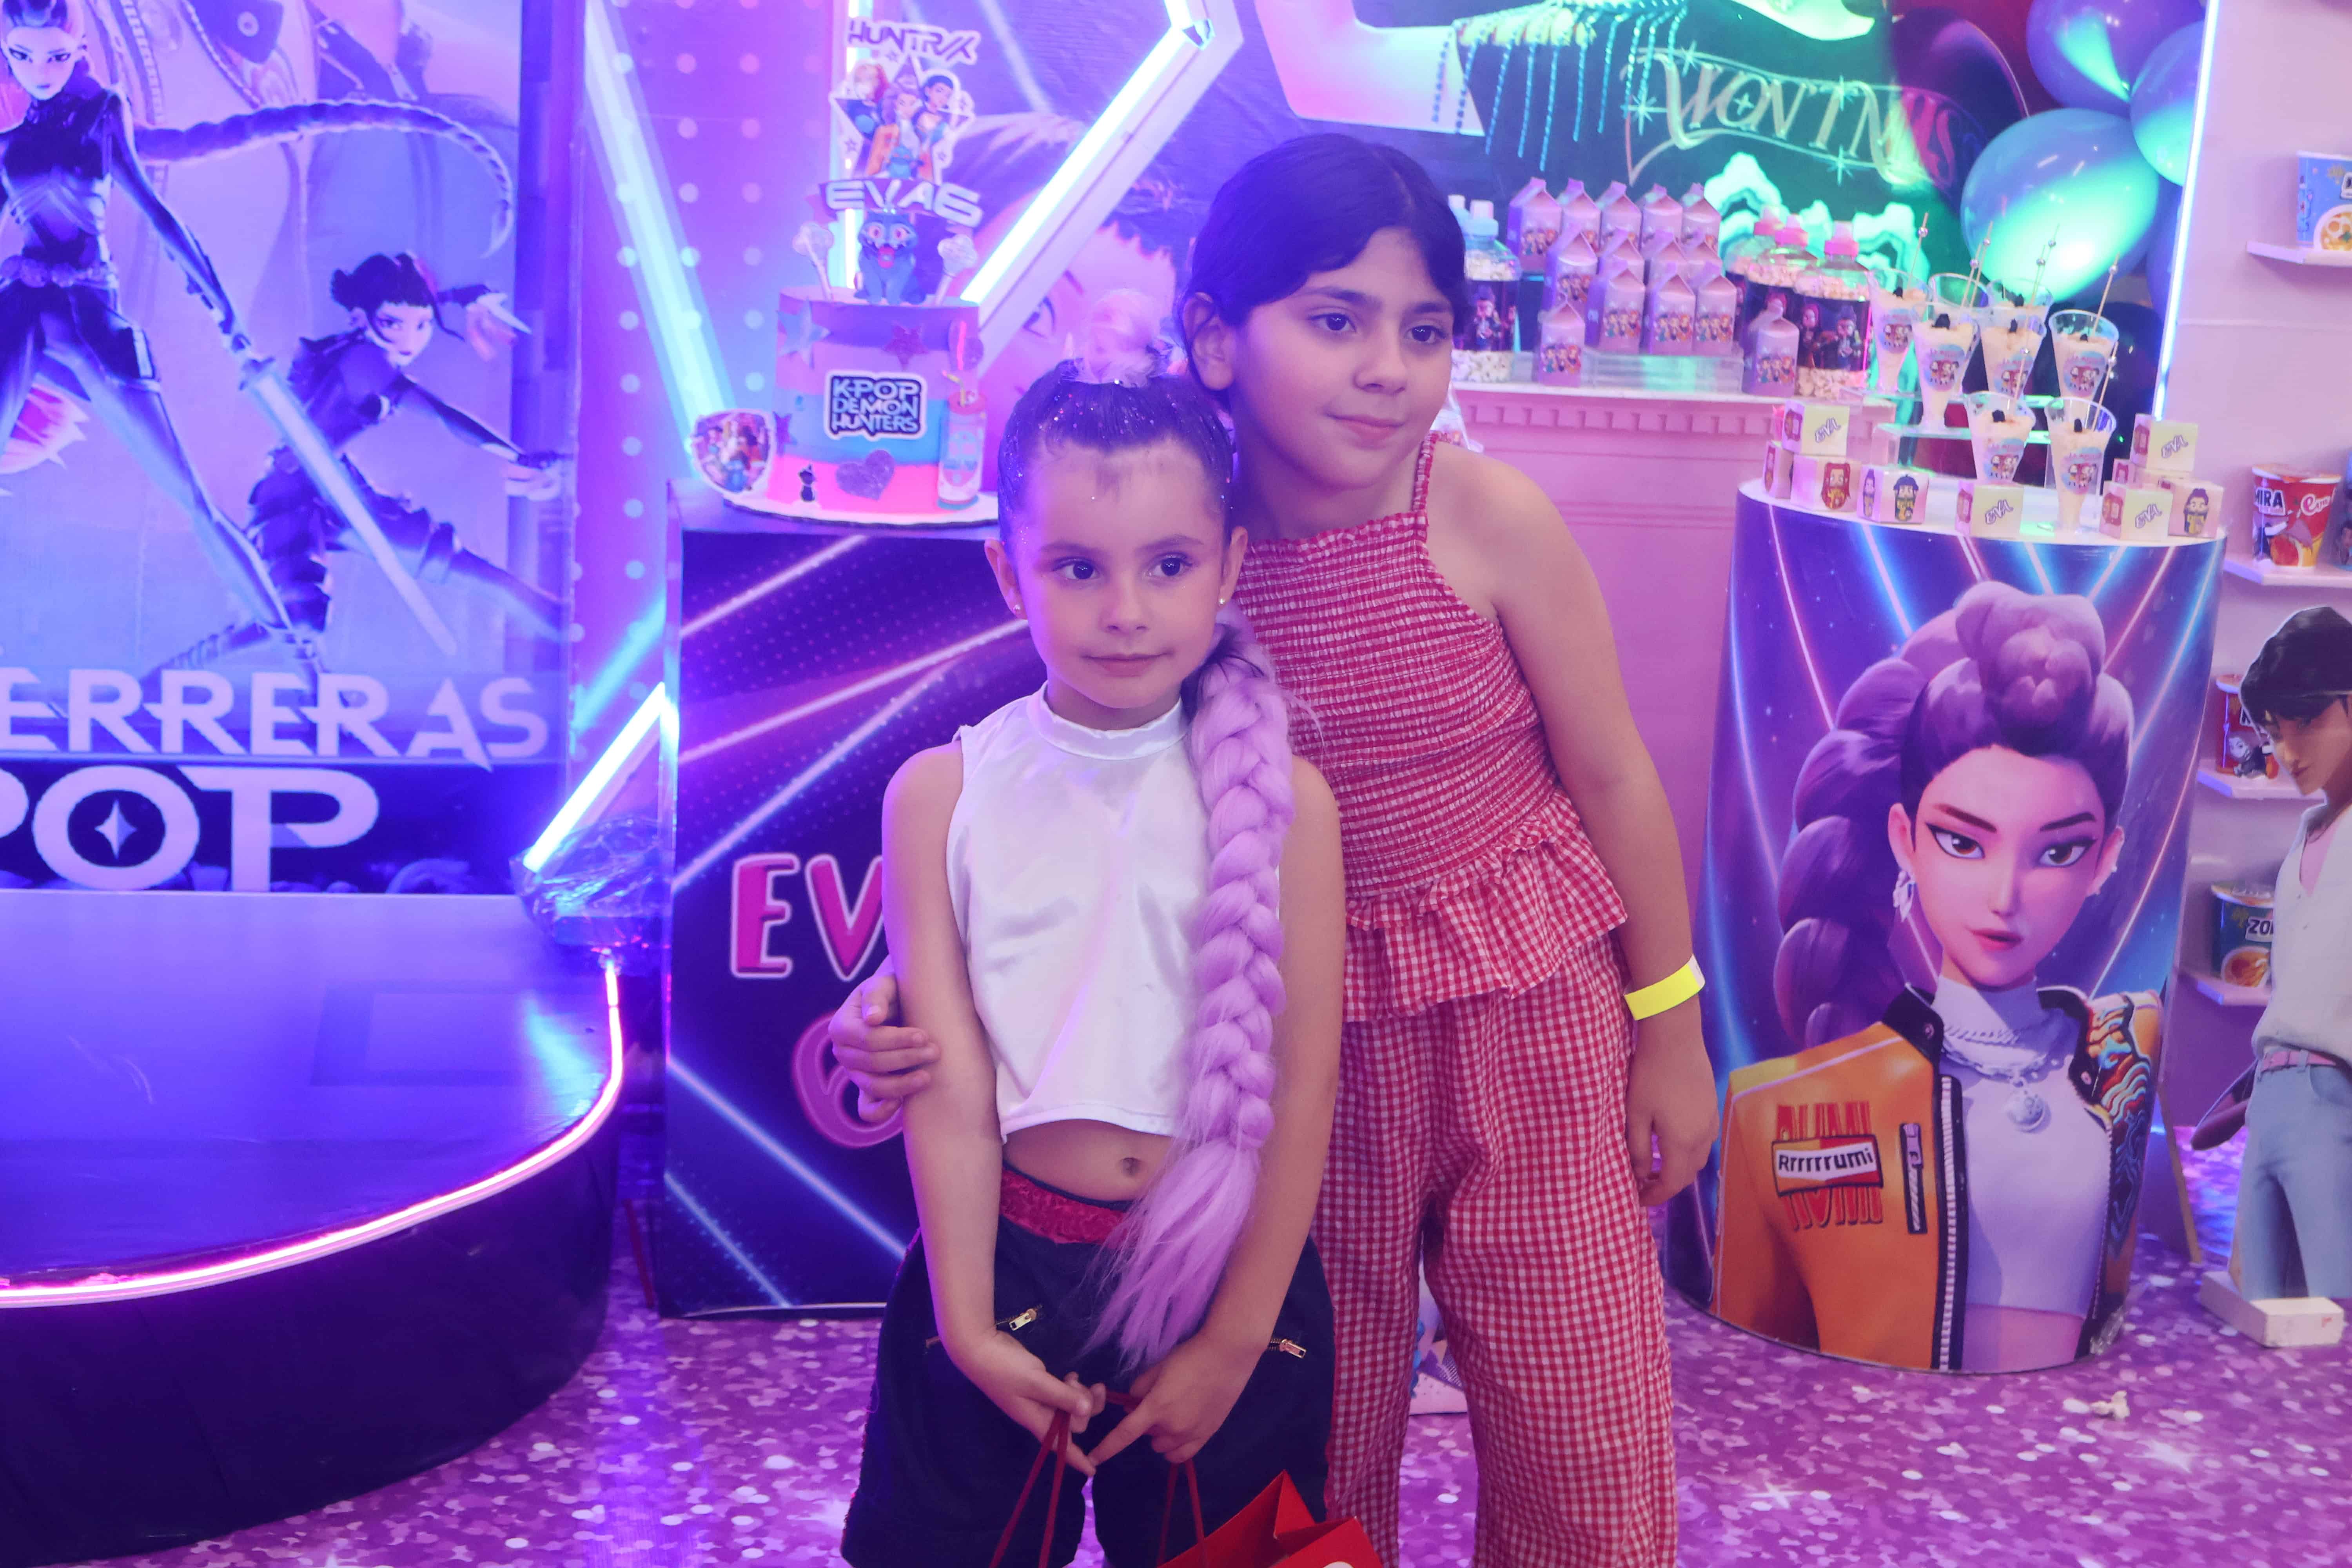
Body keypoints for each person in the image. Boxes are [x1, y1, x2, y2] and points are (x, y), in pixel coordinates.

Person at [837, 134, 1714, 1568]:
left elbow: (1612, 773)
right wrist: (893, 995)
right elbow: (1067, 815)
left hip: (1533, 1013)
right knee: (1318, 1428)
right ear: (1213, 339)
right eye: (1334, 319)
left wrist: (1667, 1020)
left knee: (1578, 1410)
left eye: (1423, 330)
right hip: (1294, 1045)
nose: (1385, 369)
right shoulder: (1172, 526)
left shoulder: (1483, 515)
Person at [838, 309, 1347, 1568]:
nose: (1126, 611)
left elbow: (1303, 1086)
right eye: (1075, 568)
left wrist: (1234, 1338)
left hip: (1230, 1275)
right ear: (1009, 574)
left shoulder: (1289, 802)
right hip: (999, 1258)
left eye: (1168, 564)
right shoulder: (939, 796)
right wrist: (967, 1323)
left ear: (1227, 566)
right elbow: (949, 1087)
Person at [1715, 583, 2161, 1372]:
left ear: (2105, 859)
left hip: (2080, 1435)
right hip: (1876, 1441)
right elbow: (1757, 1369)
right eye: (1963, 842)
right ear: (1905, 839)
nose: (2005, 896)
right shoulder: (1779, 1110)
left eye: (2058, 851)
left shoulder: (2127, 1051)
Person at [173, 252, 559, 667]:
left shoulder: (361, 344)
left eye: (423, 326)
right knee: (301, 618)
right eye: (393, 324)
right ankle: (192, 662)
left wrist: (463, 296)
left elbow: (411, 305)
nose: (411, 341)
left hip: (340, 488)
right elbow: (441, 414)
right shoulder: (365, 360)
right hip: (293, 492)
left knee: (465, 569)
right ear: (361, 318)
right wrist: (516, 454)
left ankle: (562, 624)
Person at [2230, 606, 2352, 1302]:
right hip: (2271, 1096)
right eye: (2275, 730)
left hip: (2334, 1095)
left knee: (2335, 1316)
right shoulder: (2305, 839)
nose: (2287, 748)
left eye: (2305, 721)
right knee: (2262, 1314)